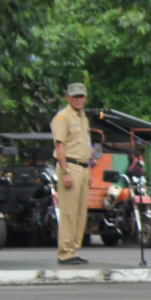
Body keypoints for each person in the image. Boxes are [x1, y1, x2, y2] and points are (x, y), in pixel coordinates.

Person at [52, 82, 94, 265]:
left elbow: (86, 146)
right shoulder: (63, 117)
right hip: (70, 166)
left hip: (83, 167)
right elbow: (59, 145)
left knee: (80, 212)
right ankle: (65, 252)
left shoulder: (83, 117)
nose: (78, 100)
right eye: (75, 96)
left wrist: (89, 169)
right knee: (69, 211)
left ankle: (73, 249)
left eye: (81, 96)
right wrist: (65, 172)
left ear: (85, 98)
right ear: (67, 97)